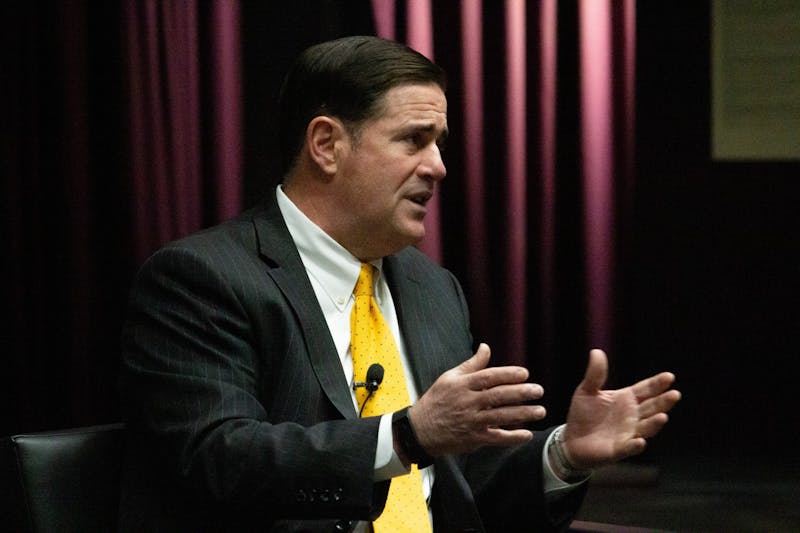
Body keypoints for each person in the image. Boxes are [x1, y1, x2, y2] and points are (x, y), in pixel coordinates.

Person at [118, 35, 680, 532]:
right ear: (327, 145)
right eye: (414, 140)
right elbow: (218, 458)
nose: (438, 166)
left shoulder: (432, 286)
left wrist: (563, 455)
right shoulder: (204, 278)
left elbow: (463, 487)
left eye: (439, 142)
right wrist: (406, 437)